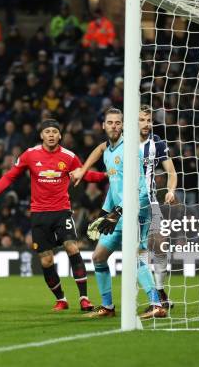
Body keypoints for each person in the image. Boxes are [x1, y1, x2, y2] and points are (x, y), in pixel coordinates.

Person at [0, 119, 106, 312]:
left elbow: (84, 175)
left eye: (55, 131)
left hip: (62, 211)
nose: (51, 135)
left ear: (60, 135)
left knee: (72, 248)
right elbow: (10, 176)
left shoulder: (69, 157)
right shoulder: (30, 154)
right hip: (39, 214)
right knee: (46, 261)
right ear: (42, 135)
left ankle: (84, 298)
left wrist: (108, 175)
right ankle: (61, 299)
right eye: (48, 132)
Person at [72, 105, 177, 309]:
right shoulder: (108, 151)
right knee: (99, 257)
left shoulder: (133, 150)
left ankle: (157, 300)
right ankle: (108, 307)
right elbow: (114, 185)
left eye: (117, 123)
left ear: (122, 126)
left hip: (140, 206)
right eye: (110, 123)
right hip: (119, 211)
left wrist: (119, 211)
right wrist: (104, 213)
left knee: (140, 252)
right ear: (103, 126)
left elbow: (141, 188)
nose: (113, 126)